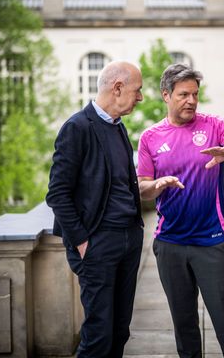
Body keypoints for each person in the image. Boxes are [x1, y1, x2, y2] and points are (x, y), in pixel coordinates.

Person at [137, 63, 224, 358]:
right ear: (166, 95)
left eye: (194, 94)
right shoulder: (150, 138)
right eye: (183, 95)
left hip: (214, 242)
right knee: (185, 329)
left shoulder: (215, 126)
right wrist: (157, 186)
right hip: (170, 244)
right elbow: (140, 188)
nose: (191, 100)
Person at [46, 61, 144, 358]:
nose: (140, 97)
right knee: (98, 336)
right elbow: (57, 193)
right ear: (117, 88)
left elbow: (122, 184)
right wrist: (82, 242)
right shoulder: (77, 128)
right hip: (98, 244)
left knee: (119, 331)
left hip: (129, 239)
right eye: (137, 90)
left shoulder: (118, 128)